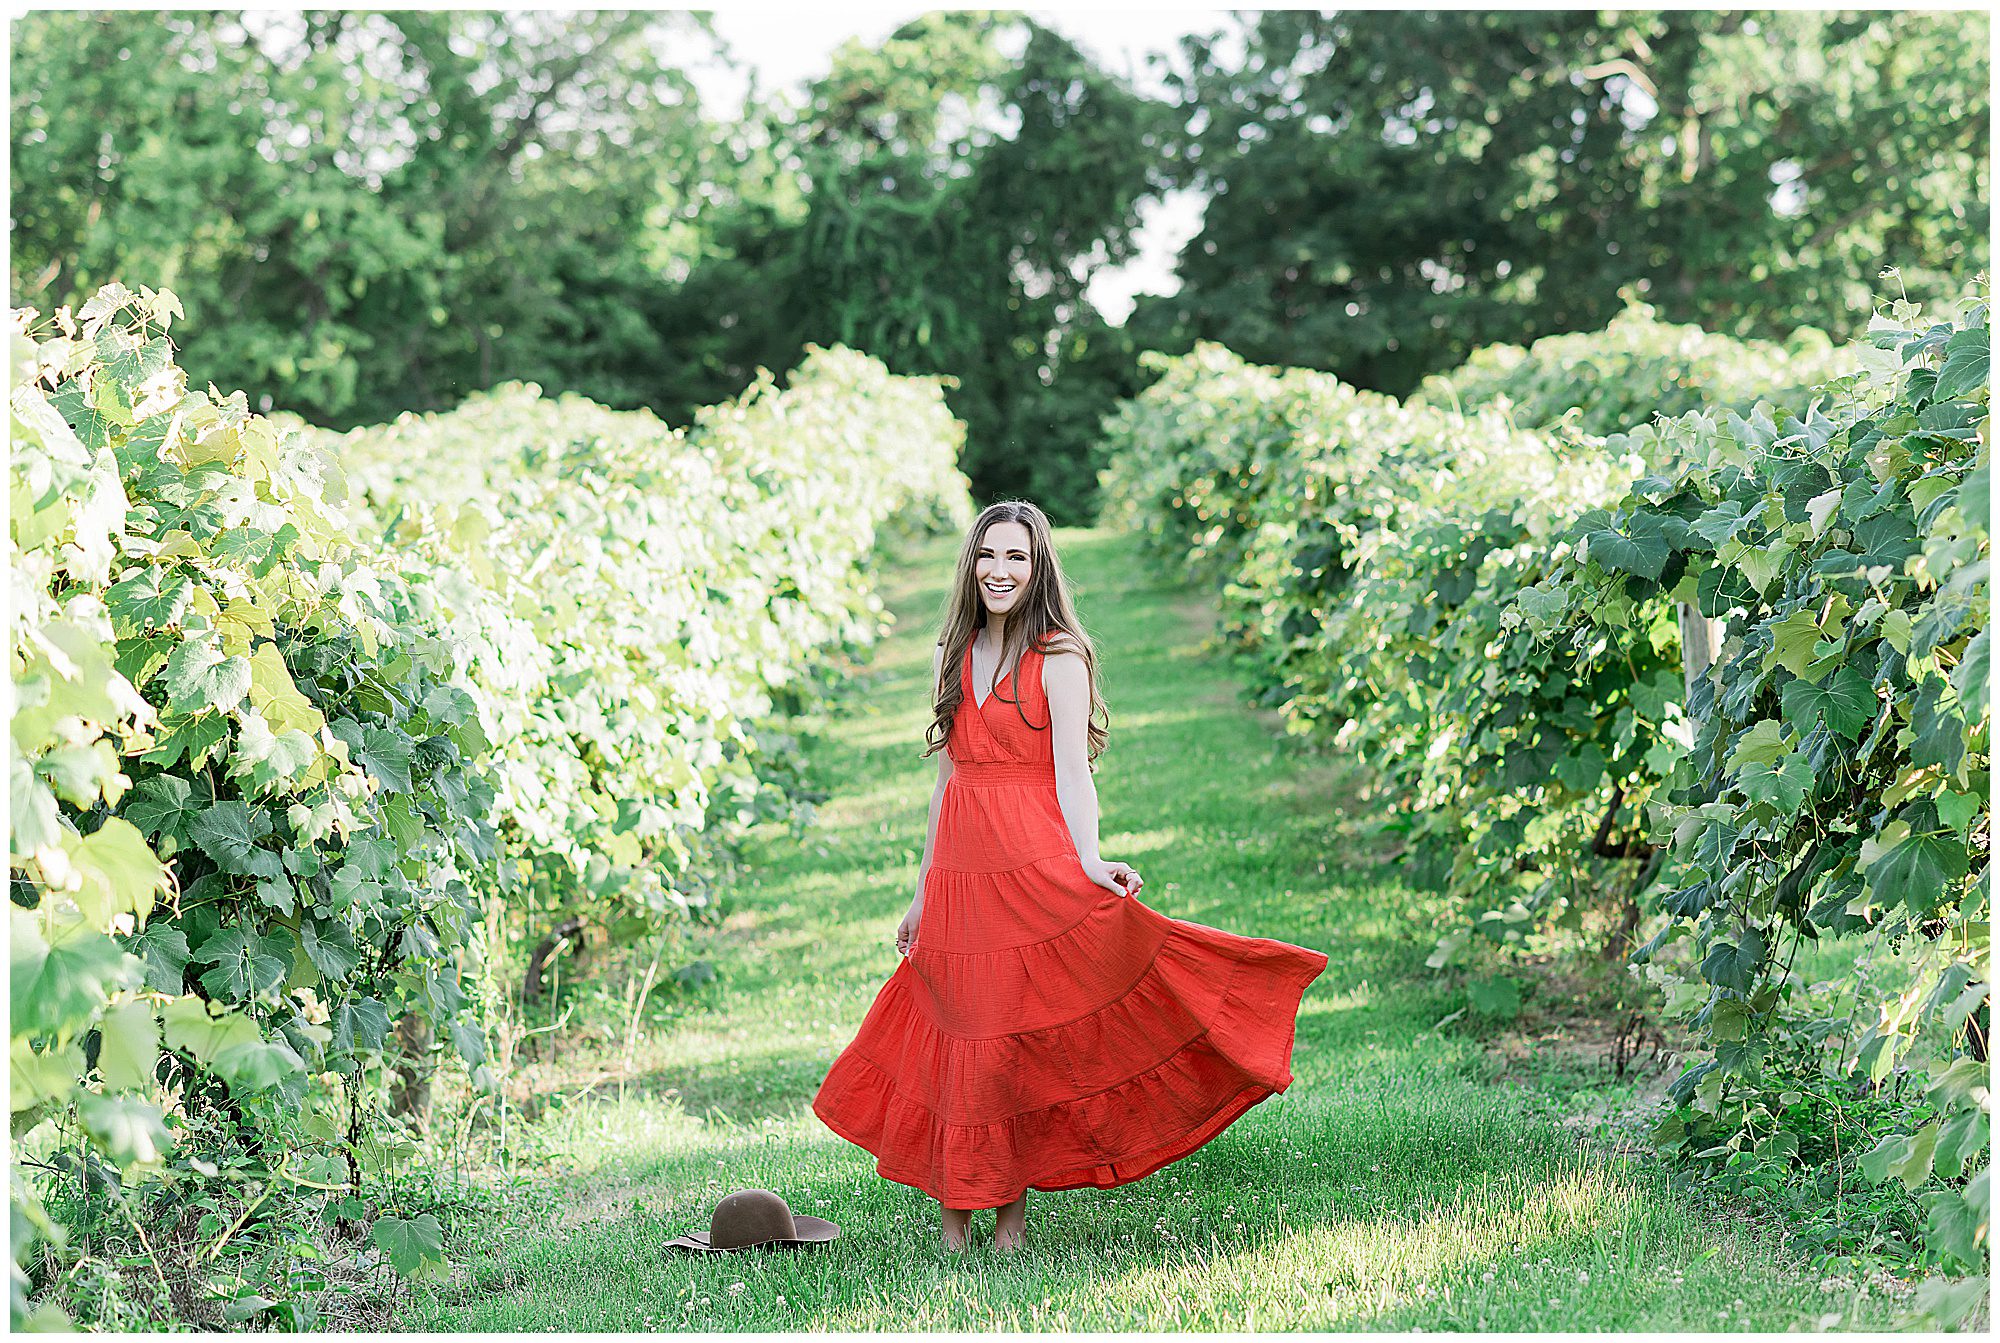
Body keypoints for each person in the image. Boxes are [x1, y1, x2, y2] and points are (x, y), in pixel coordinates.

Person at [811, 500, 1328, 1253]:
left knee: (1009, 1040)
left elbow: (1072, 776)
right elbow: (948, 781)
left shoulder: (1060, 658)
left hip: (1029, 866)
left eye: (1016, 557)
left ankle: (1010, 1227)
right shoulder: (951, 653)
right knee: (960, 1036)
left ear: (1038, 565)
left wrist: (1087, 860)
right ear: (971, 565)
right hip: (960, 873)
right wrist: (923, 890)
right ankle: (957, 1224)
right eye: (988, 555)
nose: (1000, 570)